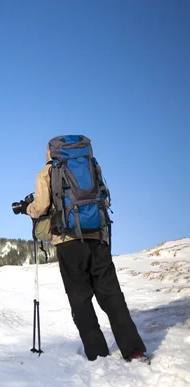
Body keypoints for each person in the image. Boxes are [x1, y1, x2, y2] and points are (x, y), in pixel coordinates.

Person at [17, 142, 147, 363]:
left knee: (80, 299)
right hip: (98, 237)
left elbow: (40, 207)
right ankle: (134, 350)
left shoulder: (48, 170)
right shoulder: (91, 165)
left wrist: (26, 208)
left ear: (51, 151)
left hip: (68, 241)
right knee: (112, 295)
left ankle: (98, 354)